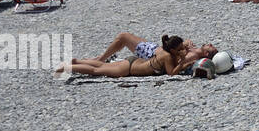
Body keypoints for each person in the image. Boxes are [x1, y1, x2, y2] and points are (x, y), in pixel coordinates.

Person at [59, 35, 190, 77]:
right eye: (180, 49)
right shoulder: (167, 56)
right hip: (129, 69)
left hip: (133, 62)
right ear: (173, 50)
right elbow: (171, 73)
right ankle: (69, 67)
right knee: (96, 70)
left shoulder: (167, 53)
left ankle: (77, 61)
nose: (182, 50)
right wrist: (183, 62)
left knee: (102, 65)